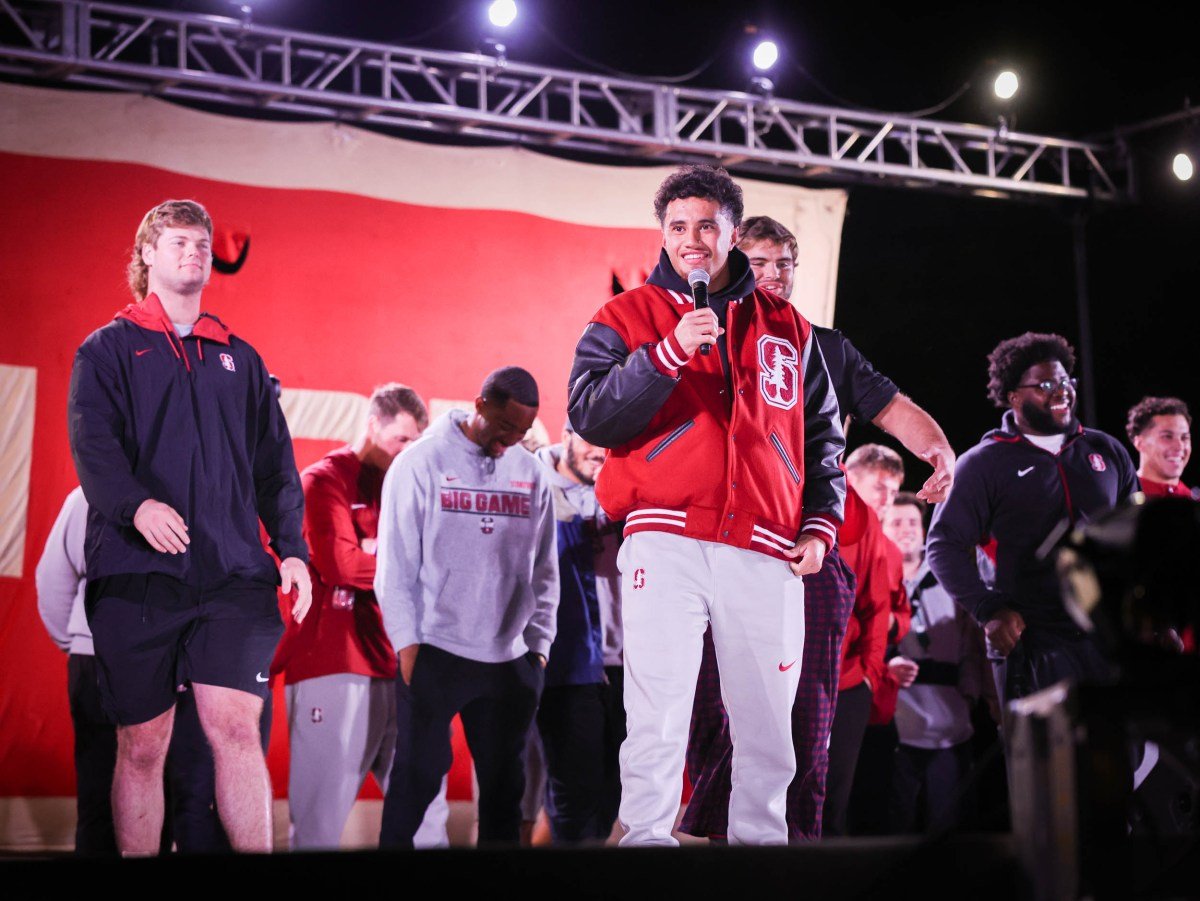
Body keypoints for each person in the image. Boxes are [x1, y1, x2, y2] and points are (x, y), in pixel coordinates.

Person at [568, 164, 847, 846]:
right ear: (663, 234)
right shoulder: (624, 316)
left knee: (767, 723)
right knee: (657, 708)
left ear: (731, 232)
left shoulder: (791, 327)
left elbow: (823, 435)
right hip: (665, 538)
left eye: (705, 225)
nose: (691, 239)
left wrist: (820, 523)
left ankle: (760, 854)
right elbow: (589, 414)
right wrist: (666, 353)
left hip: (766, 544)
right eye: (677, 226)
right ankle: (646, 847)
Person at [680, 215, 953, 841]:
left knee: (805, 727)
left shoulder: (820, 345)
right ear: (731, 266)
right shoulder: (701, 334)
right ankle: (708, 839)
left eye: (786, 264)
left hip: (808, 549)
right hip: (720, 549)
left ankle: (794, 850)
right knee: (711, 719)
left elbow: (893, 408)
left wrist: (940, 453)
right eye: (761, 262)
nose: (775, 275)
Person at [67, 199, 311, 855]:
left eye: (202, 244)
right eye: (178, 242)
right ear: (146, 253)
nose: (194, 253)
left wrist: (291, 548)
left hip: (233, 576)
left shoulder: (240, 358)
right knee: (142, 742)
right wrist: (136, 506)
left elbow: (275, 466)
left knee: (236, 725)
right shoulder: (108, 350)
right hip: (137, 573)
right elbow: (95, 448)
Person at [376, 367, 558, 848]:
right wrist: (408, 646)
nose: (510, 442)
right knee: (414, 786)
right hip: (436, 651)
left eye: (522, 433)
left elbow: (546, 571)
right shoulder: (420, 463)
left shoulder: (532, 473)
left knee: (503, 798)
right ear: (480, 405)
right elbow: (394, 567)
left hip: (509, 661)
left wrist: (537, 650)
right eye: (504, 429)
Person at [271, 383, 451, 849]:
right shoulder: (323, 479)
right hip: (335, 662)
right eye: (401, 440)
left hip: (403, 665)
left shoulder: (410, 484)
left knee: (426, 817)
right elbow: (340, 564)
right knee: (319, 822)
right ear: (372, 425)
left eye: (416, 443)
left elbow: (445, 562)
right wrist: (409, 566)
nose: (408, 452)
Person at [927, 332, 1138, 706]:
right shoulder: (983, 463)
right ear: (1013, 396)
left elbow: (1135, 537)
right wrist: (988, 609)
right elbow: (944, 545)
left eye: (1064, 381)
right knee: (1046, 762)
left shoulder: (1106, 450)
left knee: (1116, 758)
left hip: (1104, 634)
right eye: (1044, 385)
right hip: (1031, 639)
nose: (1061, 392)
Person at [532, 423, 622, 843]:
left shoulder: (628, 486)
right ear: (567, 433)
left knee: (616, 793)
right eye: (592, 439)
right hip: (567, 667)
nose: (601, 452)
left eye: (611, 443)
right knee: (573, 796)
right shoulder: (532, 487)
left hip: (630, 669)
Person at [882, 493, 991, 833]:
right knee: (895, 825)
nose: (906, 530)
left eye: (913, 522)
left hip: (949, 720)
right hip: (894, 724)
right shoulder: (873, 576)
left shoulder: (950, 573)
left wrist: (973, 690)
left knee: (948, 823)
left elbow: (973, 641)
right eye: (896, 522)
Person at [1126, 396, 1194, 499]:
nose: (1179, 446)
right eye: (1167, 436)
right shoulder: (1123, 500)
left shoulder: (1193, 501)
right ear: (1140, 443)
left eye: (1184, 437)